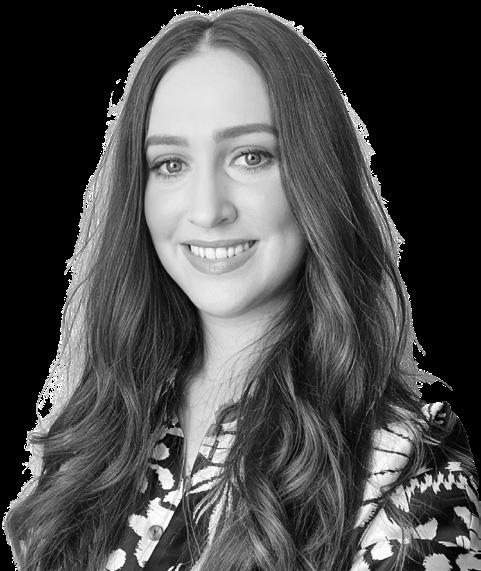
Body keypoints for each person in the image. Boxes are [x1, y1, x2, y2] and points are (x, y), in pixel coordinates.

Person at [4, 7, 480, 571]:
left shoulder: (410, 467)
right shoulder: (104, 426)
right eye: (170, 164)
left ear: (317, 177)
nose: (208, 210)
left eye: (251, 157)